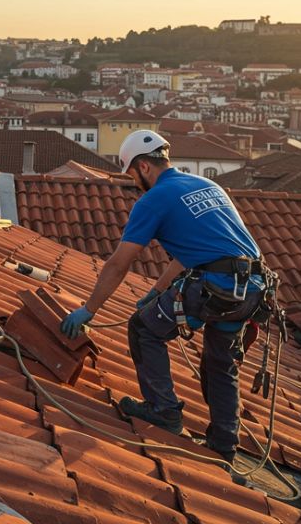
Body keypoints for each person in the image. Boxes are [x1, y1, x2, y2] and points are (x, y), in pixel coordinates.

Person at [59, 129, 269, 465]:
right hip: (252, 290)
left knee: (143, 328)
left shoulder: (153, 199)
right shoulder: (207, 186)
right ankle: (224, 445)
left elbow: (119, 263)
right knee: (220, 363)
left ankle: (164, 411)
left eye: (132, 174)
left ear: (143, 167)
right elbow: (192, 253)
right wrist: (156, 292)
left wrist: (89, 309)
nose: (134, 183)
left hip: (216, 287)